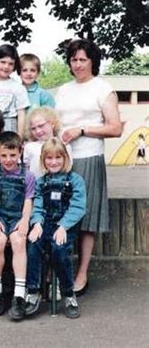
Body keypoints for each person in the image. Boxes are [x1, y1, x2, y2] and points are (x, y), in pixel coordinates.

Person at [55, 38, 123, 296]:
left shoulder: (103, 89)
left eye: (83, 59)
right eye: (74, 59)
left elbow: (115, 128)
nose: (78, 64)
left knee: (86, 217)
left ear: (93, 61)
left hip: (89, 157)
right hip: (61, 160)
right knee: (59, 215)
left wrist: (82, 130)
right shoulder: (63, 90)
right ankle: (57, 268)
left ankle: (82, 273)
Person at [26, 138, 86, 319]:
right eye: (49, 158)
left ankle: (68, 293)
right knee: (33, 245)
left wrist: (64, 226)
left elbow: (78, 207)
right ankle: (33, 291)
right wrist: (36, 223)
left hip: (65, 226)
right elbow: (37, 205)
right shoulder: (40, 181)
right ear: (43, 160)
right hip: (45, 224)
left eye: (58, 158)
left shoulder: (75, 180)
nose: (53, 162)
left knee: (60, 250)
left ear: (65, 158)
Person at [0, 131, 35, 321]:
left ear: (20, 152)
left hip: (18, 217)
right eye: (4, 156)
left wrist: (25, 220)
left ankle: (19, 294)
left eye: (13, 155)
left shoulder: (28, 175)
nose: (8, 160)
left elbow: (28, 200)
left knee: (18, 241)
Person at [0, 44, 29, 137]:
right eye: (3, 62)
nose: (6, 66)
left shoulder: (18, 87)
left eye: (10, 64)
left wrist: (19, 137)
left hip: (10, 128)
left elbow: (21, 114)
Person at [24, 107, 73, 179]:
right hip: (36, 187)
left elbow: (68, 167)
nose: (38, 131)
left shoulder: (64, 145)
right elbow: (27, 170)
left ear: (52, 123)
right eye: (33, 128)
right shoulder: (29, 147)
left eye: (41, 126)